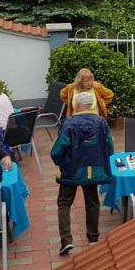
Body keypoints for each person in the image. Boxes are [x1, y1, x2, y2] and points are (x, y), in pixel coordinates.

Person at [50, 91, 114, 256]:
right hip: (94, 169)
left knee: (64, 203)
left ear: (76, 105)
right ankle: (93, 238)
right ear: (91, 105)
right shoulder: (101, 122)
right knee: (92, 202)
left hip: (71, 169)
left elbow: (58, 149)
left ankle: (66, 241)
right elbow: (109, 145)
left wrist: (59, 162)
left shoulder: (69, 124)